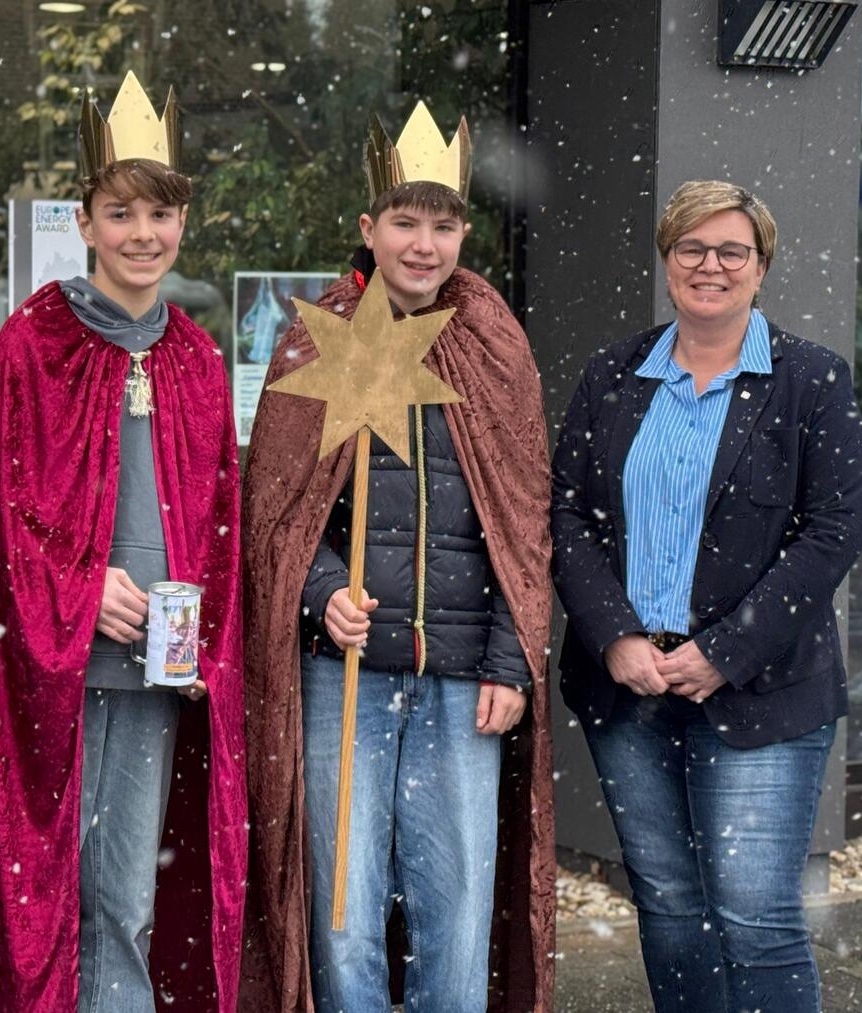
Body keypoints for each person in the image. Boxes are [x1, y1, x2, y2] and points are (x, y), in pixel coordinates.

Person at [242, 102, 555, 1013]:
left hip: (463, 678)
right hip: (348, 671)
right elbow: (276, 511)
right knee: (342, 897)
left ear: (464, 231)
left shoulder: (494, 342)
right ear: (368, 228)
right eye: (406, 223)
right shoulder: (317, 339)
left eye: (444, 224)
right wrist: (322, 590)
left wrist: (510, 659)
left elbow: (523, 520)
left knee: (455, 896)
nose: (424, 244)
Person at [0, 72, 246, 1013]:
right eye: (120, 212)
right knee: (46, 893)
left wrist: (207, 640)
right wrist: (80, 586)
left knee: (127, 895)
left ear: (183, 223)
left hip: (155, 675)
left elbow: (220, 520)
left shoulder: (196, 357)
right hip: (51, 669)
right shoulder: (32, 344)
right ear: (83, 222)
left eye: (159, 213)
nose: (142, 234)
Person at [551, 180, 862, 1013]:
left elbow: (831, 532)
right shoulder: (614, 374)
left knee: (756, 918)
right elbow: (568, 515)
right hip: (630, 690)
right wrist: (616, 636)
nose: (710, 266)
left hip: (762, 689)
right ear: (667, 259)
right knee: (669, 909)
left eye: (733, 250)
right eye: (691, 247)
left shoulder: (810, 381)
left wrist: (725, 650)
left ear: (761, 268)